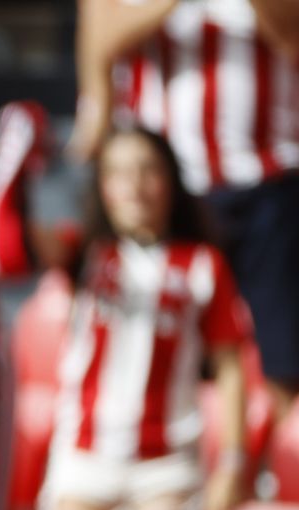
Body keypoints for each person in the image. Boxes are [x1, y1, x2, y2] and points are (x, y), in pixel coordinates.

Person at [42, 126, 252, 510]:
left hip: (167, 465)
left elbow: (230, 367)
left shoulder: (203, 264)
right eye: (117, 172)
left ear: (171, 183)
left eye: (148, 169)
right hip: (84, 459)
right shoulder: (81, 255)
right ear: (101, 187)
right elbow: (18, 238)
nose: (134, 185)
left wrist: (232, 459)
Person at [70, 0, 299, 422]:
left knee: (279, 352)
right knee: (156, 346)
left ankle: (267, 473)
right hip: (163, 190)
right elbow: (103, 40)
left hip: (267, 182)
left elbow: (292, 37)